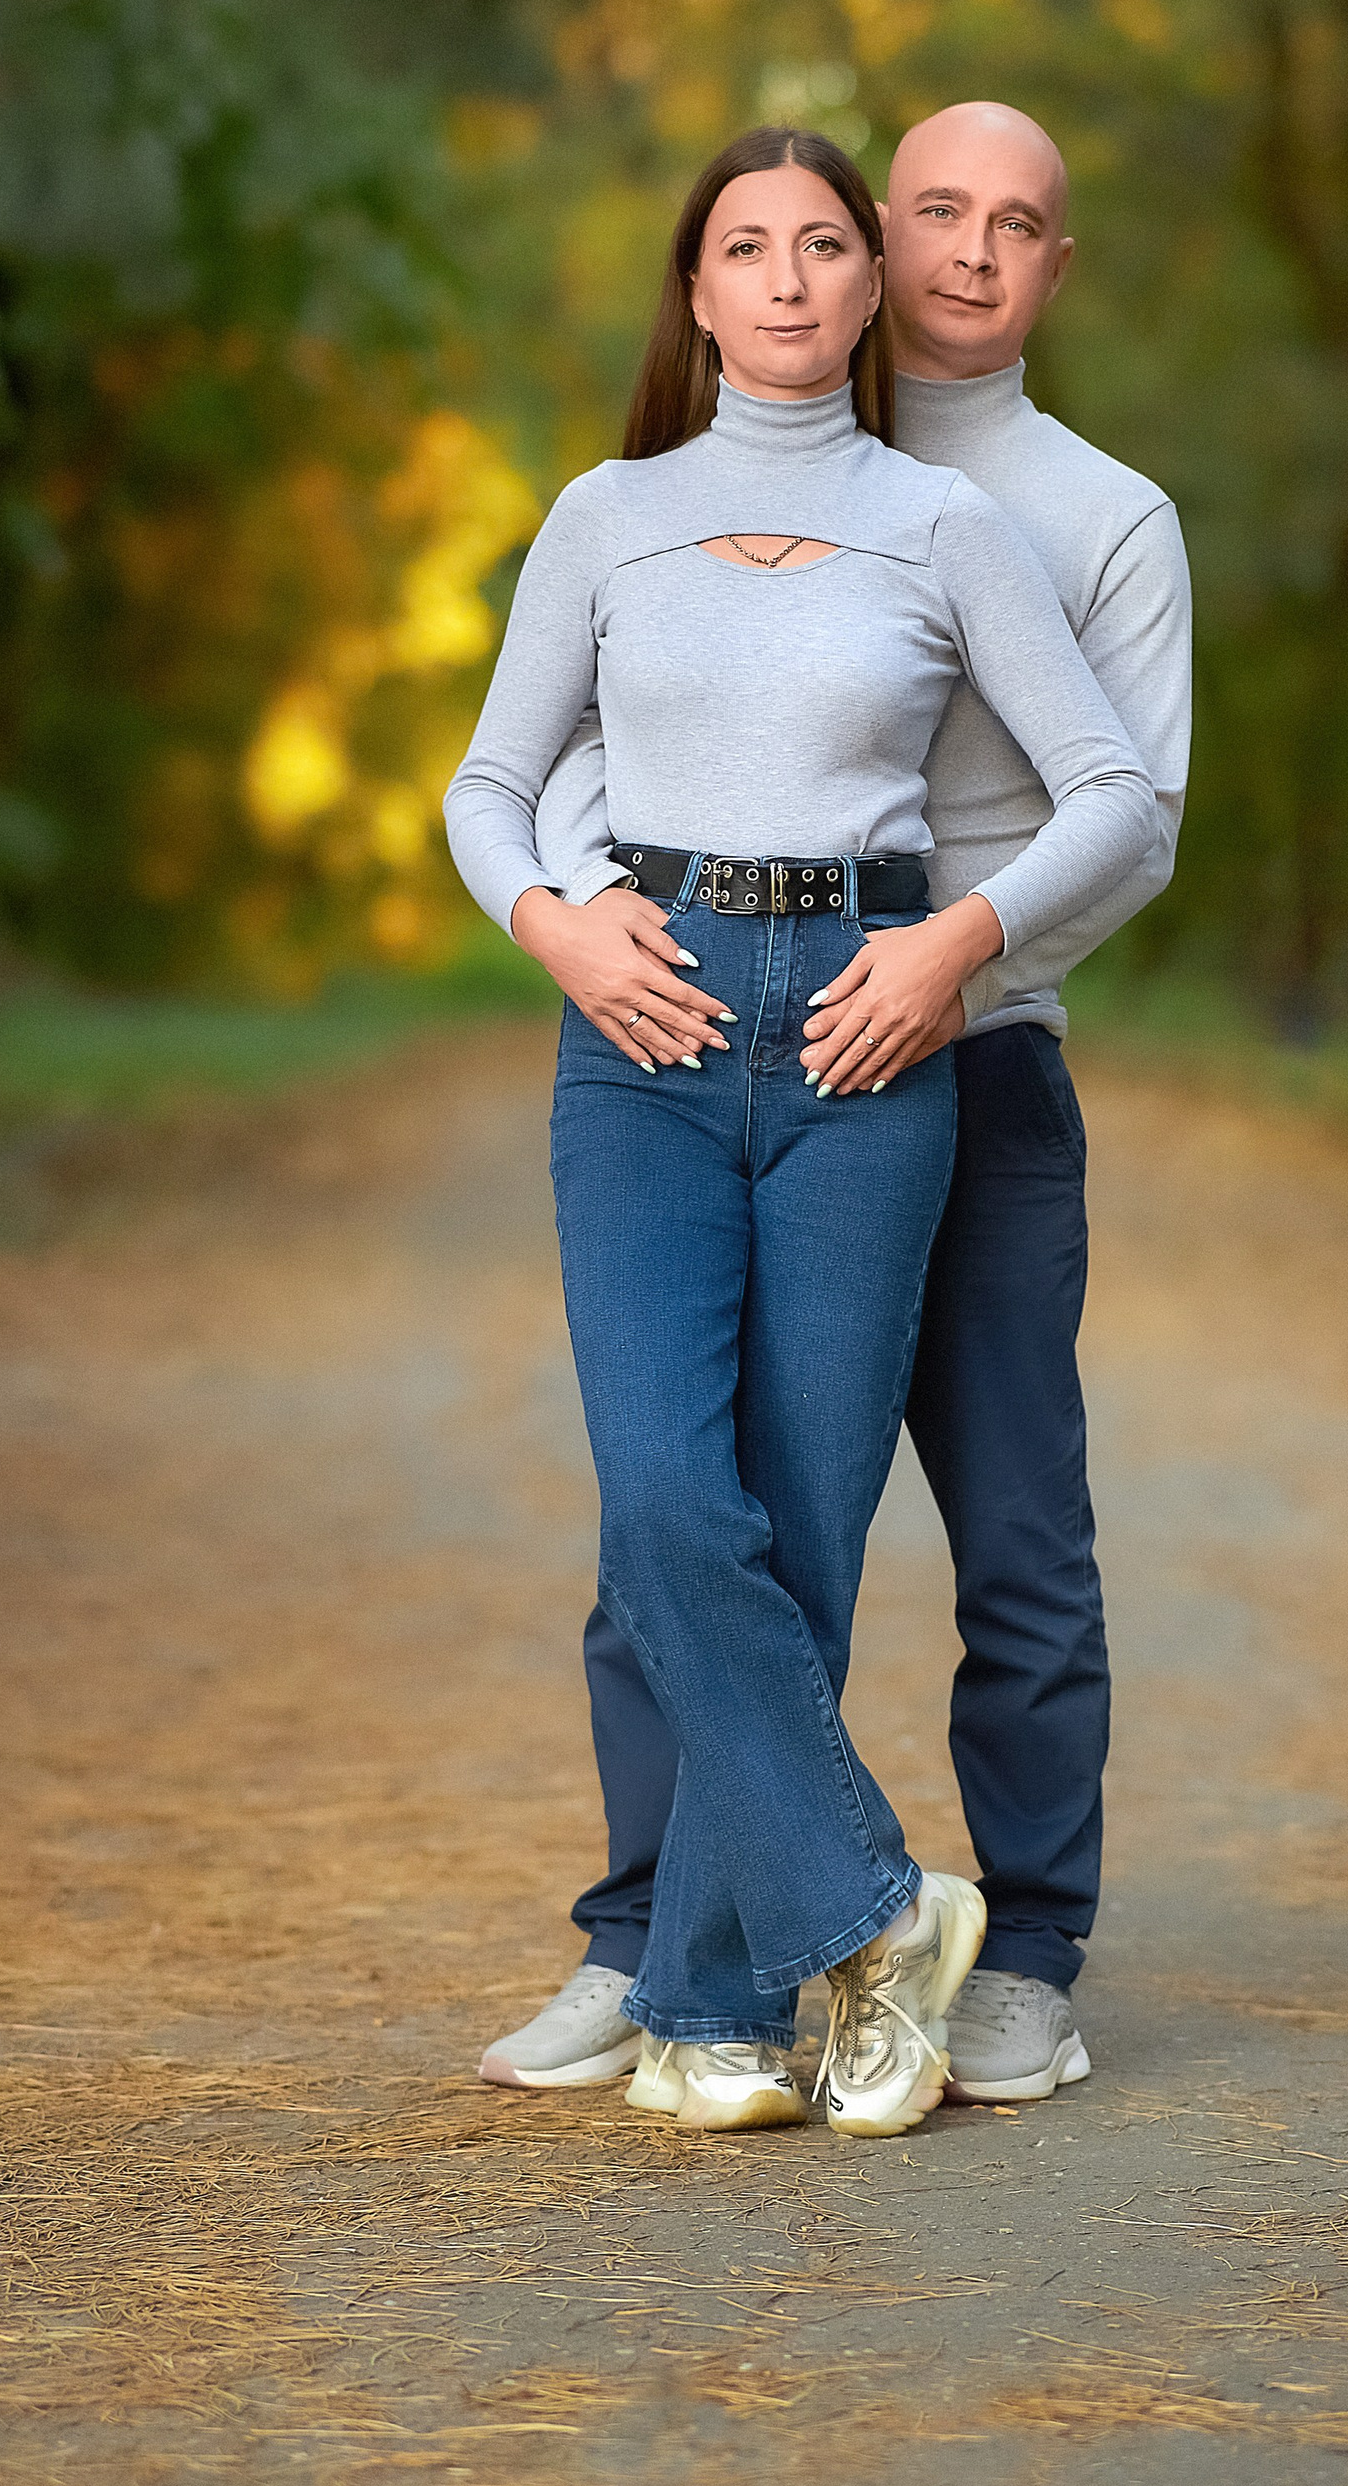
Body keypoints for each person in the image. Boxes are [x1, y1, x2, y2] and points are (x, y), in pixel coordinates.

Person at [444, 123, 1163, 2136]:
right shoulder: (604, 515)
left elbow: (1111, 793)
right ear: (692, 288)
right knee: (670, 1507)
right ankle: (875, 1907)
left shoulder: (951, 529)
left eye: (819, 247)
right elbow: (488, 784)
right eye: (742, 248)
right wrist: (560, 928)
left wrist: (955, 942)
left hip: (871, 1029)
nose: (782, 279)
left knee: (805, 1523)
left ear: (863, 295)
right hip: (645, 1019)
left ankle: (719, 2020)